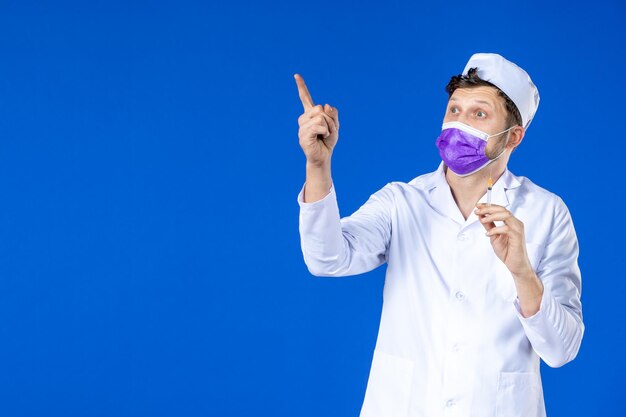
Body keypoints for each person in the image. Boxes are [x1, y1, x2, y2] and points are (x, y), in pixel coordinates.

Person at [293, 53, 584, 417]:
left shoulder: (546, 211)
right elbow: (326, 258)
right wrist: (318, 165)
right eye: (454, 110)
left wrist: (523, 273)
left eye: (479, 114)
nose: (459, 124)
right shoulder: (402, 200)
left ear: (513, 136)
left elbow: (562, 349)